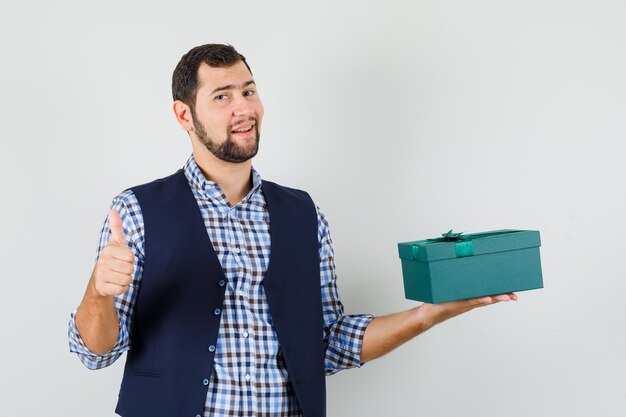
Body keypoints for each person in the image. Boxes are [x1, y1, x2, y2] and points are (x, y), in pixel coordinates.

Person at [68, 43, 516, 417]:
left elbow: (328, 343)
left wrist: (430, 313)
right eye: (222, 96)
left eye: (249, 90)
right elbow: (95, 352)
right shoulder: (136, 211)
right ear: (185, 116)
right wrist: (99, 291)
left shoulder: (304, 214)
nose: (243, 108)